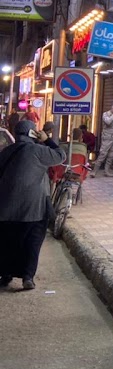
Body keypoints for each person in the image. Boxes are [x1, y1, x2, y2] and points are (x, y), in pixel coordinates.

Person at [0, 120, 67, 290]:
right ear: (32, 133)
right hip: (33, 208)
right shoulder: (38, 150)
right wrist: (47, 139)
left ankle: (5, 274)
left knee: (7, 242)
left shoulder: (6, 151)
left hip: (5, 208)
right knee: (33, 241)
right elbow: (61, 155)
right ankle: (27, 277)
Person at [95, 103, 113, 176]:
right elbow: (108, 122)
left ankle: (106, 171)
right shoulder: (105, 114)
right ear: (112, 107)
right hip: (107, 137)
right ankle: (94, 171)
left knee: (111, 155)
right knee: (103, 154)